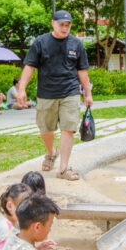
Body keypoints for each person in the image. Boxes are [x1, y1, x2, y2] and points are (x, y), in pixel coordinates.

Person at [15, 10, 93, 181]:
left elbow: (82, 71)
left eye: (68, 25)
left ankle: (63, 168)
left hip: (70, 92)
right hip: (46, 93)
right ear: (53, 23)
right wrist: (22, 89)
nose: (65, 28)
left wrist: (88, 93)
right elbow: (29, 67)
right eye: (61, 24)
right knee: (46, 129)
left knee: (68, 129)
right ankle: (51, 153)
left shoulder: (76, 44)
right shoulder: (40, 43)